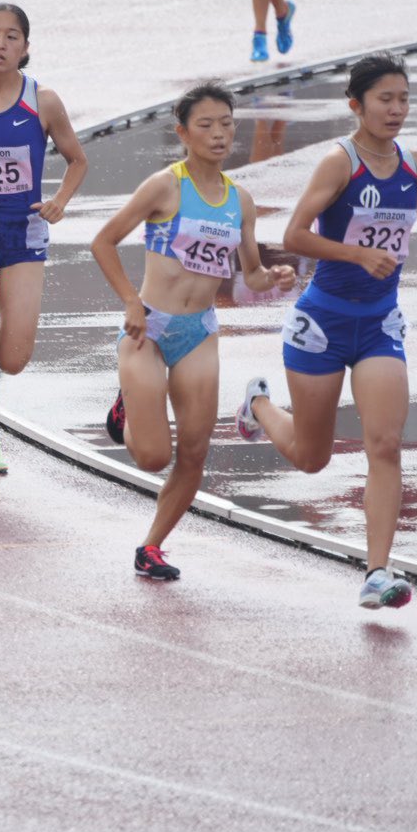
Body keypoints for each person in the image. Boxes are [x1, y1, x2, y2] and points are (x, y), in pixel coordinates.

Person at [236, 53, 417, 609]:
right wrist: (357, 255)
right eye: (385, 99)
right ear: (356, 105)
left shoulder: (416, 164)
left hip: (379, 325)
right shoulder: (339, 164)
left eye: (404, 99)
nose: (397, 110)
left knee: (384, 444)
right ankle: (260, 406)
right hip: (322, 323)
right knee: (313, 458)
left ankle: (378, 571)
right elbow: (295, 233)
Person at [91, 81, 296, 580]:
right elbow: (103, 242)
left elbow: (248, 274)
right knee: (151, 457)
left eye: (226, 124)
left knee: (194, 453)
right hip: (149, 329)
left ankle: (152, 547)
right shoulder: (166, 185)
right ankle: (126, 406)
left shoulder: (239, 200)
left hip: (199, 332)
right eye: (205, 125)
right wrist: (129, 303)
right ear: (183, 133)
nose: (219, 134)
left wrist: (272, 278)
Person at [0, 3, 89, 473]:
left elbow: (78, 160)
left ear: (26, 48)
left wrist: (60, 201)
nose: (0, 44)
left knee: (12, 358)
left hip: (25, 230)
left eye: (11, 37)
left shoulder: (42, 101)